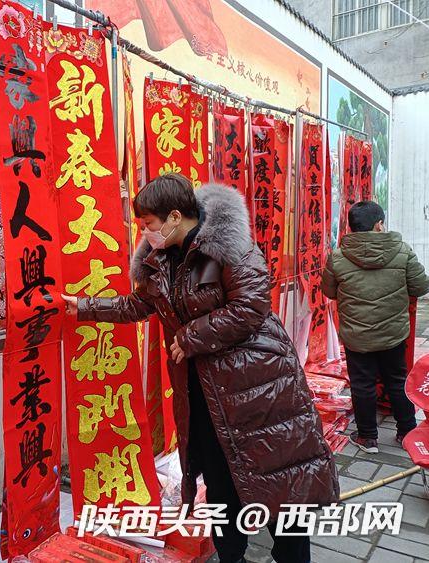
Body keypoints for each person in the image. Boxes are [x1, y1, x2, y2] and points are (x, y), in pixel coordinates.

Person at [62, 174, 339, 563]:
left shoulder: (230, 245)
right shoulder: (160, 261)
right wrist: (84, 307)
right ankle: (232, 556)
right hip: (204, 395)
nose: (145, 233)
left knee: (278, 480)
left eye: (149, 224)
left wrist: (191, 336)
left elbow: (252, 305)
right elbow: (138, 305)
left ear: (175, 217)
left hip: (258, 386)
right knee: (220, 481)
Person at [322, 200, 429, 454]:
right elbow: (421, 286)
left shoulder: (338, 257)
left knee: (362, 384)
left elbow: (329, 291)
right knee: (397, 380)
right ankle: (406, 431)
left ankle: (367, 437)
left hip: (357, 336)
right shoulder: (401, 250)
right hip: (393, 334)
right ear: (379, 224)